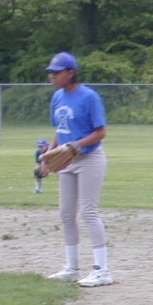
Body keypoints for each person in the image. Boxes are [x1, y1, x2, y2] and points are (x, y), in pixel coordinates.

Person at [42, 51, 113, 287]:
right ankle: (71, 268)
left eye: (57, 72)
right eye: (51, 73)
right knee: (66, 214)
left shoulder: (88, 97)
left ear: (71, 73)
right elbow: (59, 130)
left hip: (89, 158)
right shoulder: (57, 97)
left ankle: (102, 271)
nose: (52, 76)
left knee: (89, 211)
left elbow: (100, 131)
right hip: (66, 161)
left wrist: (77, 144)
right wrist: (48, 156)